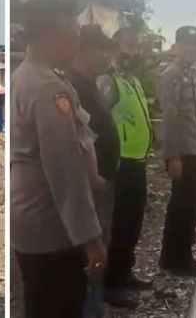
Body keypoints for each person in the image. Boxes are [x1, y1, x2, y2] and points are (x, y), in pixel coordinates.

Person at [11, 0, 106, 318]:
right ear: (52, 36)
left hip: (36, 226)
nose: (78, 44)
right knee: (59, 305)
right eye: (74, 36)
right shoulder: (48, 88)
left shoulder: (25, 77)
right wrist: (89, 237)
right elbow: (65, 172)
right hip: (54, 231)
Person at [97, 27, 154, 308]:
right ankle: (110, 283)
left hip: (137, 162)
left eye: (138, 46)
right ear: (115, 47)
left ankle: (125, 272)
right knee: (117, 226)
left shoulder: (132, 81)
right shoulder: (108, 81)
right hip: (120, 164)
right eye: (130, 45)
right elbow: (99, 122)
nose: (136, 52)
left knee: (132, 224)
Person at [66, 24, 119, 317]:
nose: (107, 57)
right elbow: (78, 144)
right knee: (90, 256)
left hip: (102, 186)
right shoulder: (72, 88)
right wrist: (95, 177)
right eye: (102, 50)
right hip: (91, 188)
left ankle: (96, 305)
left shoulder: (91, 85)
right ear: (85, 51)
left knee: (100, 252)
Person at [158, 26, 196, 277]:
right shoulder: (173, 76)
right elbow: (169, 118)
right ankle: (179, 260)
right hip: (183, 152)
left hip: (192, 149)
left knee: (187, 204)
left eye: (194, 45)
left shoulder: (191, 74)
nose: (191, 50)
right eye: (186, 45)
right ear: (177, 46)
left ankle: (172, 257)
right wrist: (172, 156)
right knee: (184, 206)